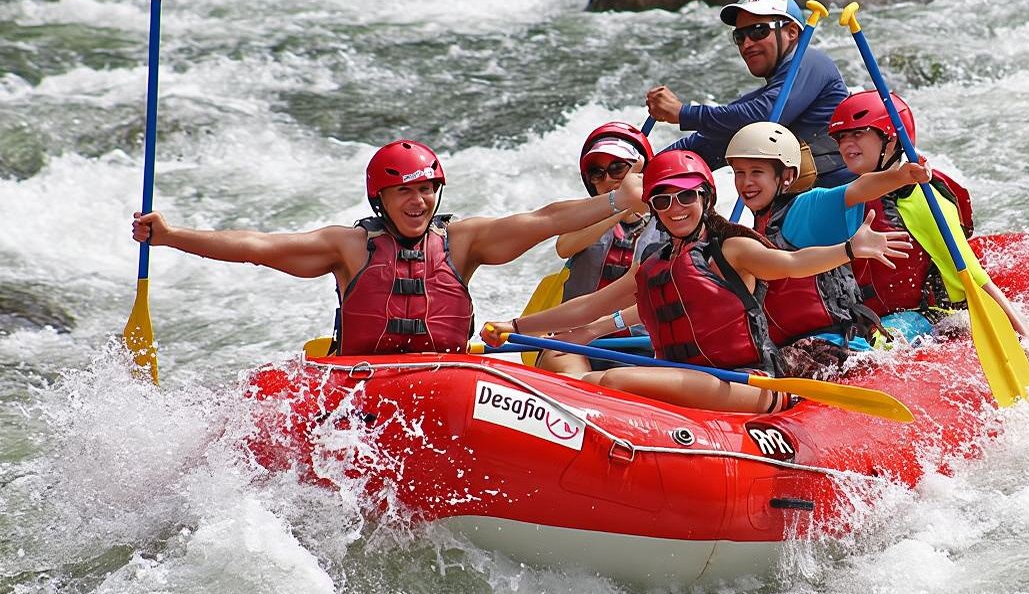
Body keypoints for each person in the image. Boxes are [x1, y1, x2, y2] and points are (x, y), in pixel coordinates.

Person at [481, 150, 911, 413]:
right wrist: (518, 329)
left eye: (687, 196)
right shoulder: (654, 261)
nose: (676, 208)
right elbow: (589, 307)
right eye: (663, 200)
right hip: (687, 375)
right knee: (578, 384)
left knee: (610, 382)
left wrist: (850, 250)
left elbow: (791, 264)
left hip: (749, 382)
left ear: (705, 197)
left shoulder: (731, 248)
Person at [131, 139, 645, 356]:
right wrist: (173, 236)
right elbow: (257, 246)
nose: (419, 201)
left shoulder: (463, 242)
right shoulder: (348, 248)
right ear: (382, 198)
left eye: (426, 189)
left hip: (444, 378)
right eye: (405, 191)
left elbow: (543, 220)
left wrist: (614, 202)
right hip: (363, 380)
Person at [724, 121, 931, 374]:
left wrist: (901, 176)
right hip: (795, 348)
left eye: (757, 172)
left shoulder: (804, 209)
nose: (746, 182)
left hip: (835, 346)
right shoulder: (755, 231)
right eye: (739, 173)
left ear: (787, 176)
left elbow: (856, 190)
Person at [828, 91, 1029, 338]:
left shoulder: (920, 197)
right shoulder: (851, 195)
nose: (846, 144)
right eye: (840, 137)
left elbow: (976, 278)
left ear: (890, 138)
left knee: (880, 343)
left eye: (858, 133)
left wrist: (1028, 342)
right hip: (873, 316)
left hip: (930, 315)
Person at [645, 0, 850, 188]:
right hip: (799, 205)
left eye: (759, 31)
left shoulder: (810, 60)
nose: (747, 44)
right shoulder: (766, 98)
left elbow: (764, 116)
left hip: (847, 200)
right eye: (740, 37)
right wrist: (647, 171)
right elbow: (705, 143)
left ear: (792, 32)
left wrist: (684, 114)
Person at [537, 122, 657, 374]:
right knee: (571, 372)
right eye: (597, 173)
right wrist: (621, 206)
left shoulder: (671, 217)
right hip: (574, 341)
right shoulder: (583, 216)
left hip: (644, 346)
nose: (607, 179)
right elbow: (565, 246)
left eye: (617, 168)